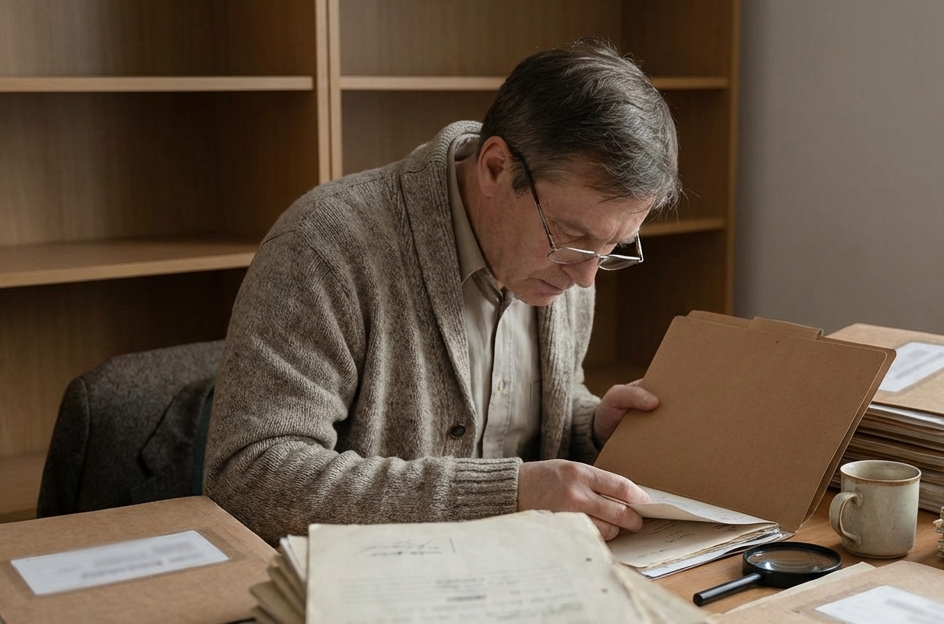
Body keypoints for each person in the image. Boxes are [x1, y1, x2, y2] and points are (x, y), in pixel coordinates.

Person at [204, 39, 680, 543]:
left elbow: (513, 424)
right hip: (369, 595)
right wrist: (507, 494)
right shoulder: (324, 246)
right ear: (496, 166)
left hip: (526, 576)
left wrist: (592, 428)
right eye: (574, 235)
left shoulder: (573, 251)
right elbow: (249, 476)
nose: (586, 277)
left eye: (614, 247)